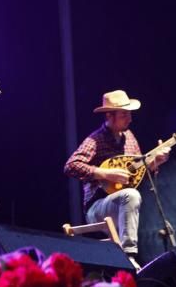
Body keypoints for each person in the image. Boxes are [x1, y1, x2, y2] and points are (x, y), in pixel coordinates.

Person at [64, 90, 170, 270]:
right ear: (109, 116)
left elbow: (139, 173)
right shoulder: (95, 140)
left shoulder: (130, 138)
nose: (129, 119)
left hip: (120, 204)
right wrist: (106, 174)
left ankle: (123, 258)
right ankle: (127, 256)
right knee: (131, 195)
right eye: (124, 115)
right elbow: (71, 166)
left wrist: (154, 163)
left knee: (131, 194)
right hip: (96, 207)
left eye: (129, 114)